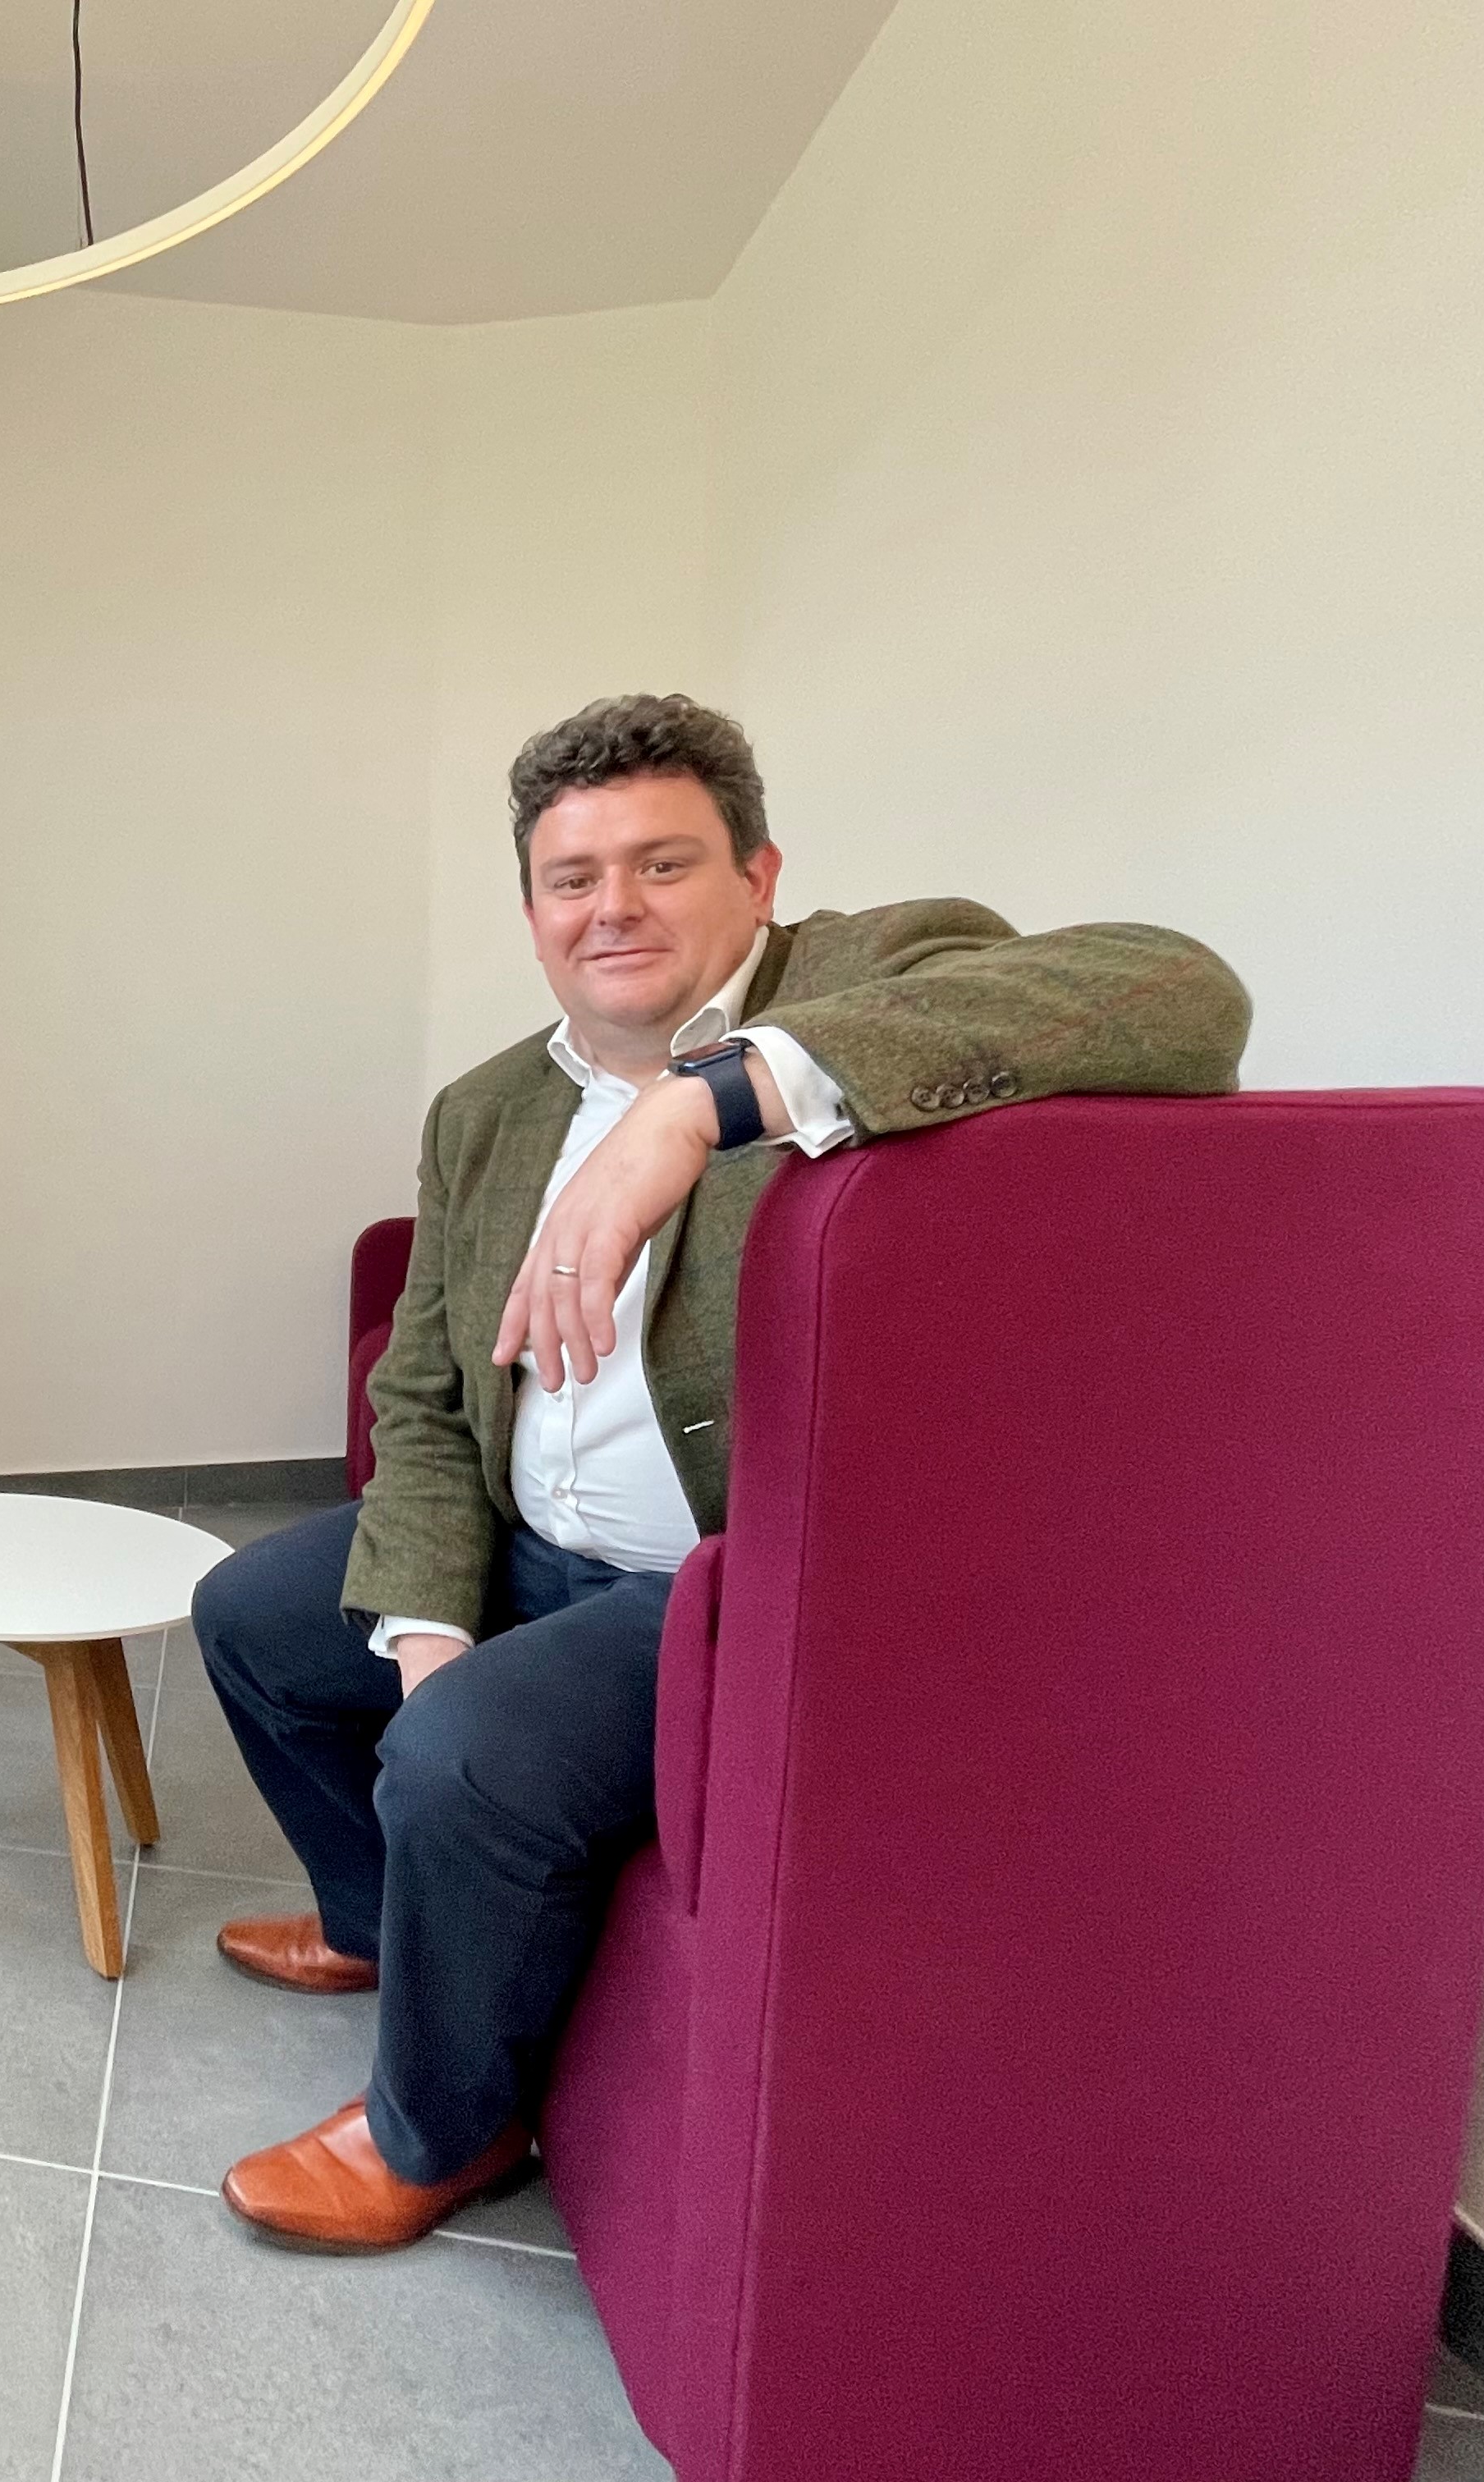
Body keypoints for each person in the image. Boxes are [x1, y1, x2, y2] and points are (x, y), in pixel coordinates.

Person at [197, 694, 1251, 2249]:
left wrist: (701, 1103)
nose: (612, 907)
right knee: (257, 1622)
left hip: (729, 1576)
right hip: (523, 1535)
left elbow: (1177, 990)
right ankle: (380, 1926)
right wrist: (424, 1625)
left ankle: (447, 2130)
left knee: (463, 1759)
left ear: (759, 876)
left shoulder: (866, 975)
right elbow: (419, 1393)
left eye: (662, 863)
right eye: (573, 879)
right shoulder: (484, 1108)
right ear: (533, 912)